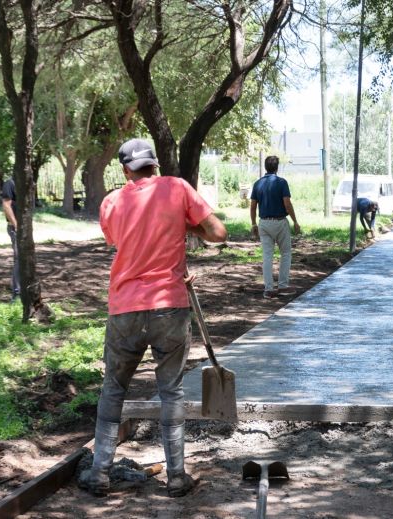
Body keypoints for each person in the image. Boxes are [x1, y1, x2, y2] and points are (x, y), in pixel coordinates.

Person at [79, 138, 227, 498]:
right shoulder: (177, 188)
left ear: (125, 169)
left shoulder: (112, 201)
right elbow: (218, 234)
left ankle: (99, 472)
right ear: (155, 164)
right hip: (169, 306)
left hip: (124, 308)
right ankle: (176, 476)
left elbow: (118, 240)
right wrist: (187, 226)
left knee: (113, 389)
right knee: (171, 391)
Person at [250, 155, 300, 298]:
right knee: (285, 253)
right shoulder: (281, 182)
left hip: (264, 223)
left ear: (265, 167)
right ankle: (283, 286)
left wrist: (253, 223)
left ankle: (269, 289)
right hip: (280, 222)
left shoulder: (257, 184)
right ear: (277, 168)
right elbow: (287, 204)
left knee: (267, 256)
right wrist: (295, 221)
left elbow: (253, 206)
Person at [1, 178, 20, 302]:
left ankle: (25, 291)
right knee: (19, 258)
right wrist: (16, 224)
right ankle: (17, 294)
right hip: (15, 228)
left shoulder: (27, 184)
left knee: (24, 259)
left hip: (26, 228)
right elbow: (6, 205)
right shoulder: (10, 183)